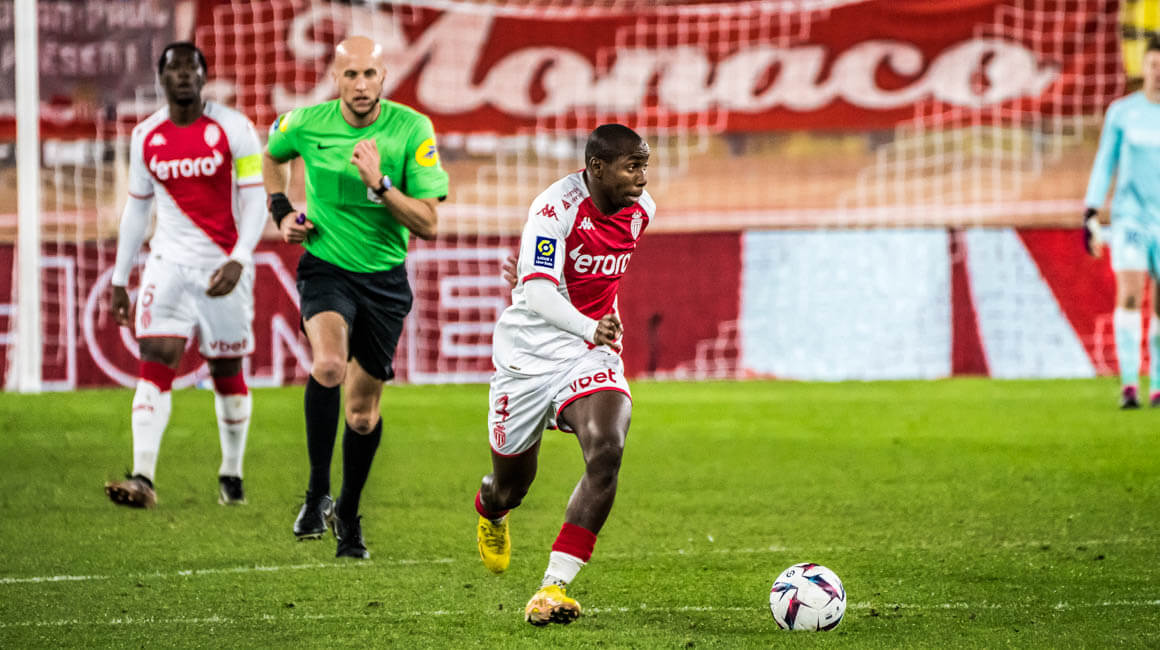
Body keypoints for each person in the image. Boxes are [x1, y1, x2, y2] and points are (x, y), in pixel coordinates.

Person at [262, 36, 449, 559]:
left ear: (384, 76)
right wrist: (281, 211)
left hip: (384, 281)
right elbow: (271, 156)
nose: (361, 85)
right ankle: (316, 494)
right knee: (327, 365)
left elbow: (429, 223)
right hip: (325, 267)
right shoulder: (306, 123)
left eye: (370, 74)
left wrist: (381, 183)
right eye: (351, 75)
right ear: (335, 78)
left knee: (362, 416)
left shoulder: (412, 129)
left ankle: (347, 512)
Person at [473, 124, 654, 625]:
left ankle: (553, 587)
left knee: (607, 448)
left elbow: (595, 276)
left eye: (644, 166)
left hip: (588, 353)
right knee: (511, 486)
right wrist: (584, 319)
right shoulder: (553, 209)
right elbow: (537, 293)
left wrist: (595, 330)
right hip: (527, 359)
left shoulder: (642, 211)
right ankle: (491, 509)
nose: (642, 178)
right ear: (596, 167)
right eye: (632, 167)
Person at [104, 42, 265, 508]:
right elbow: (137, 211)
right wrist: (119, 279)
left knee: (226, 370)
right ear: (161, 77)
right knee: (155, 359)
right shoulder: (146, 136)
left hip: (223, 268)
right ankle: (143, 477)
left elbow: (254, 198)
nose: (183, 76)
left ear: (204, 76)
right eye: (173, 69)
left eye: (191, 69)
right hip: (168, 264)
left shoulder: (235, 128)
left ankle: (232, 473)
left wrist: (239, 257)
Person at [1083, 35, 1160, 409]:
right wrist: (1091, 209)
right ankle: (1130, 384)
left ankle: (1158, 384)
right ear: (1144, 68)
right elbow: (1104, 161)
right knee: (1129, 294)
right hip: (1130, 219)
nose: (1159, 73)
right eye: (1154, 65)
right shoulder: (1123, 112)